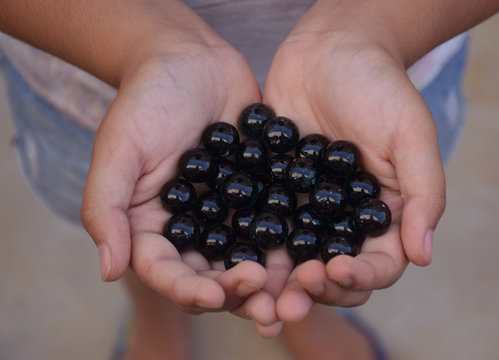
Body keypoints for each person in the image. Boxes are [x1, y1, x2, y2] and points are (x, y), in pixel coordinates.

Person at [1, 0, 498, 359]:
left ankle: (311, 317)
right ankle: (156, 319)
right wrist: (142, 45)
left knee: (323, 268)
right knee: (135, 226)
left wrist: (375, 28)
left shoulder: (300, 173)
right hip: (90, 81)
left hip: (392, 59)